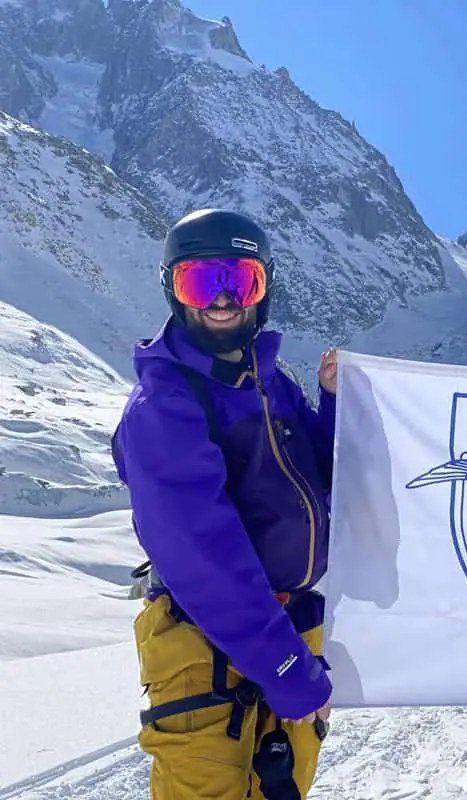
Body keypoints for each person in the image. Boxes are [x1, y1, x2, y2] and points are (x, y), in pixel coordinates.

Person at [111, 208, 339, 799]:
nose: (221, 300)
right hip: (207, 639)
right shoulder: (165, 405)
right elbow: (201, 556)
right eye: (199, 281)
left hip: (289, 626)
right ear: (172, 289)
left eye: (239, 281)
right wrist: (283, 665)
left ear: (263, 289)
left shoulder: (269, 380)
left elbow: (319, 474)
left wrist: (334, 403)